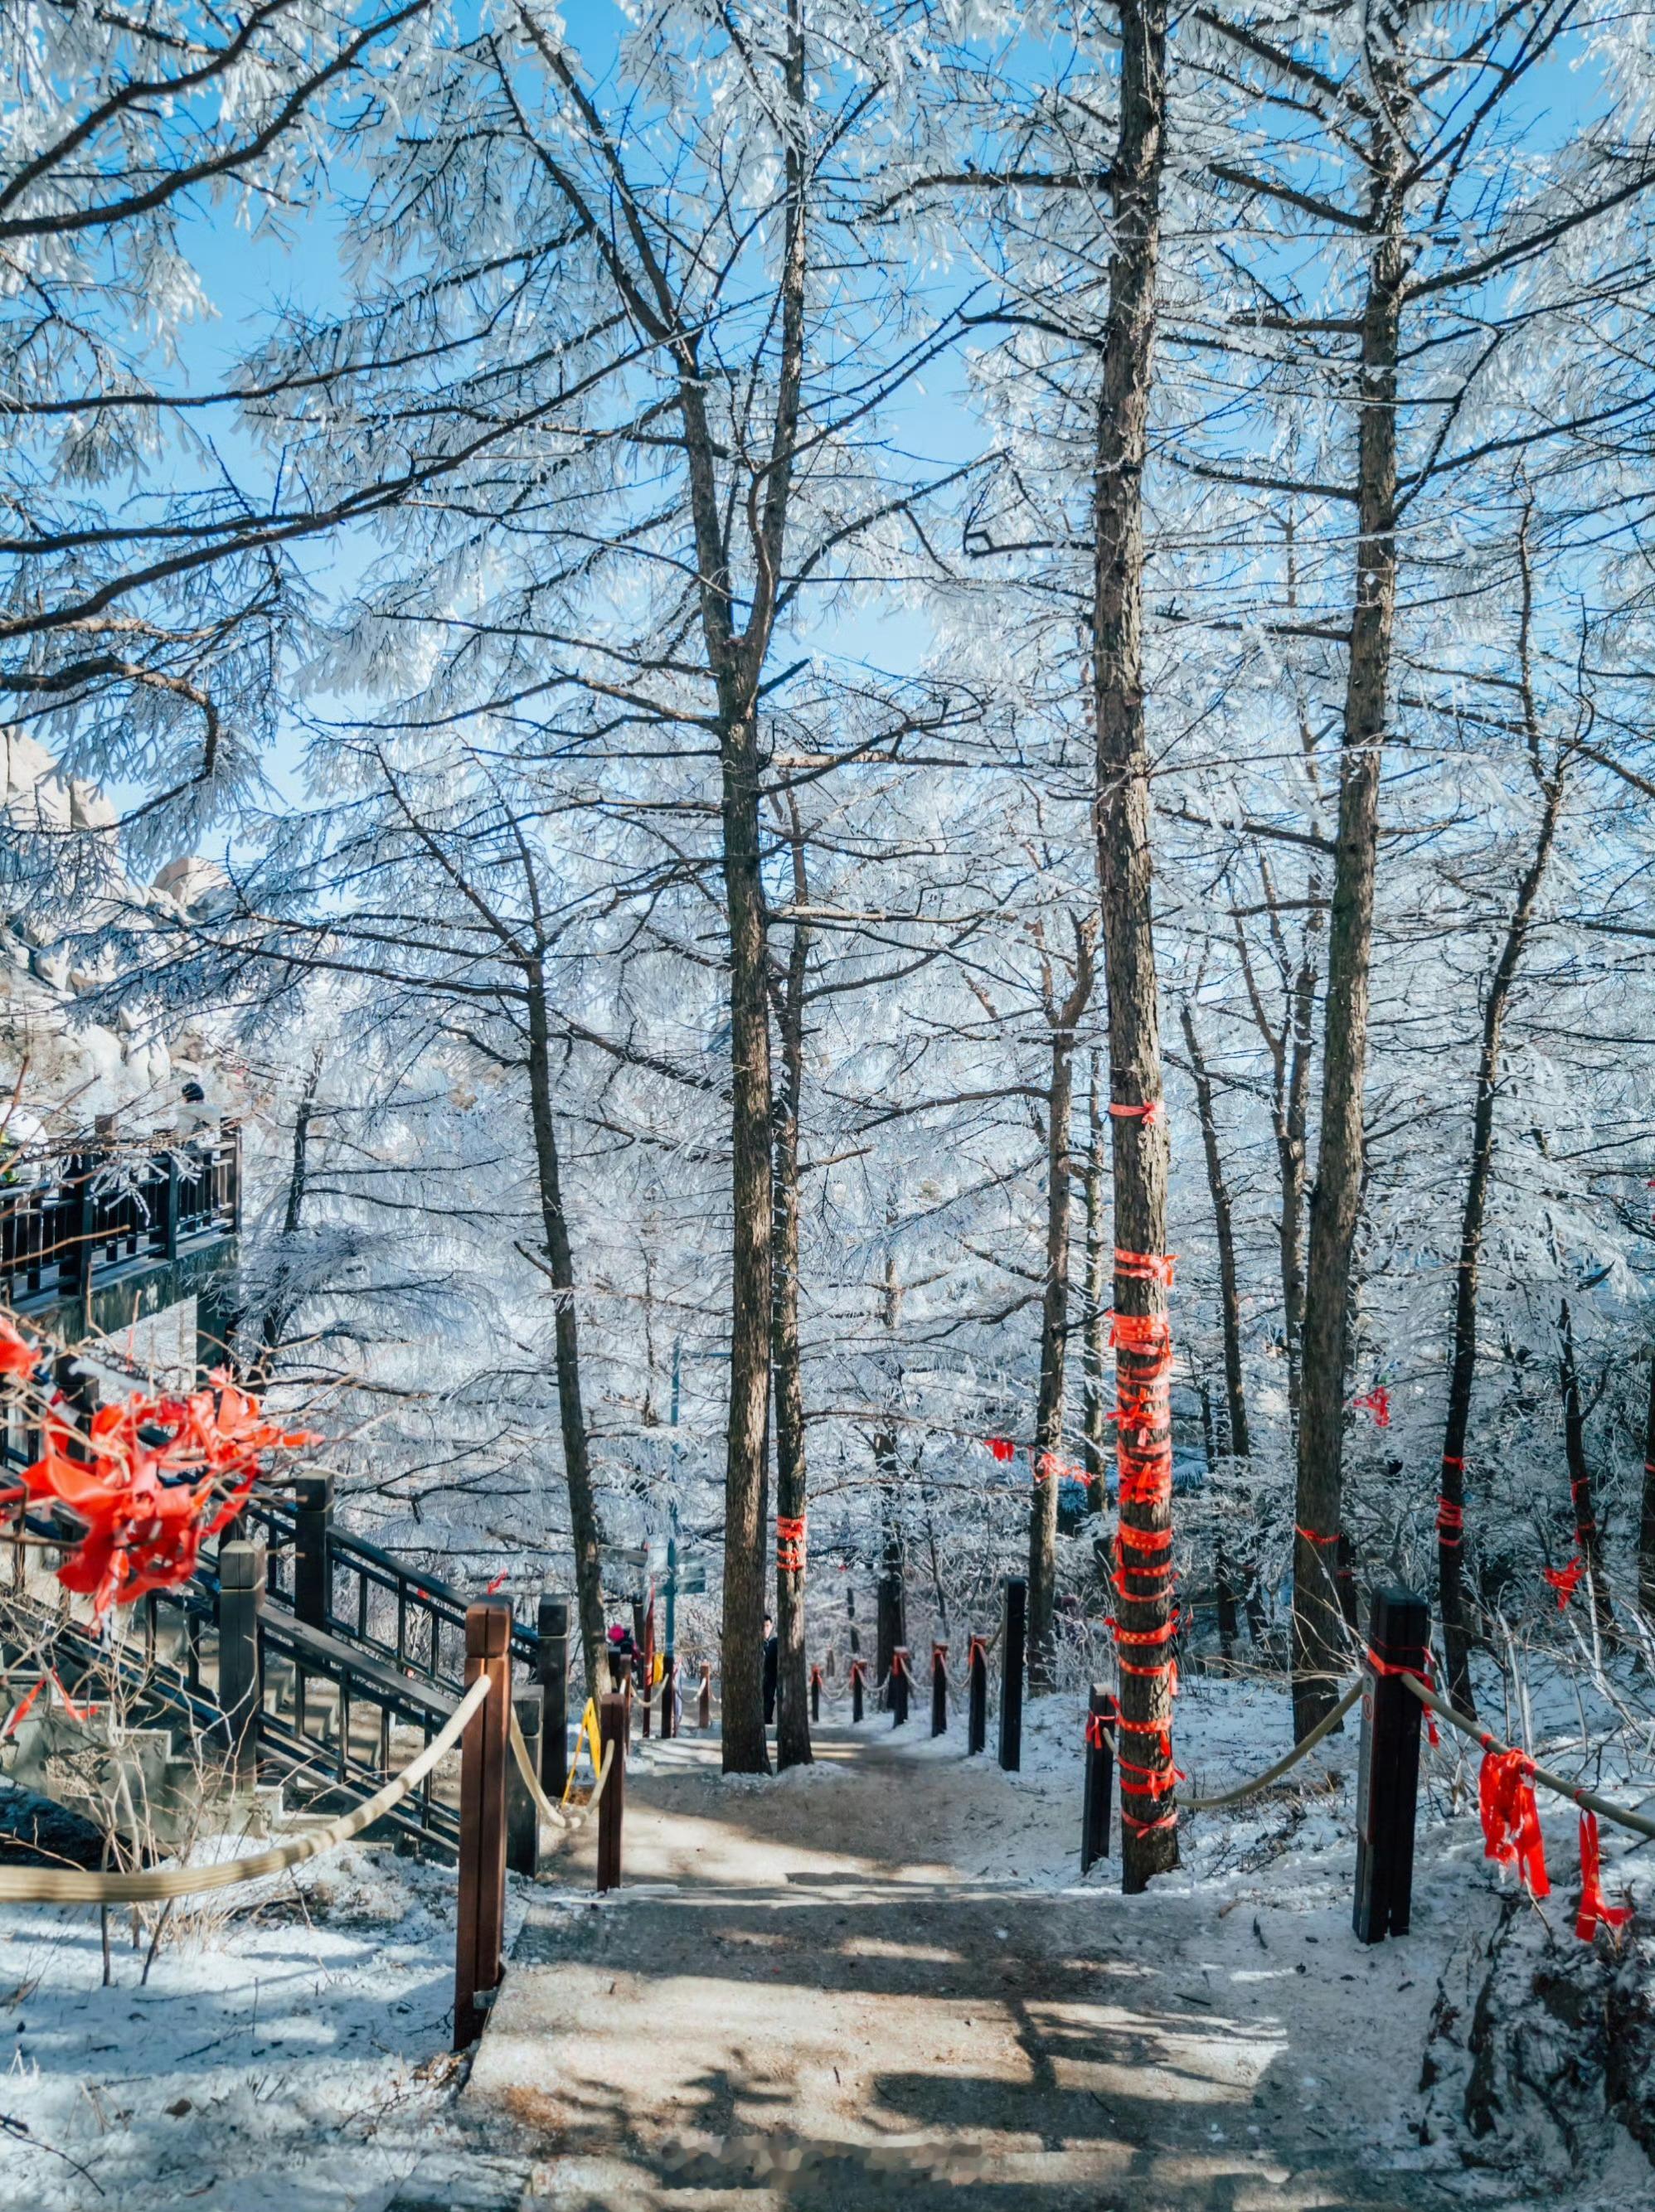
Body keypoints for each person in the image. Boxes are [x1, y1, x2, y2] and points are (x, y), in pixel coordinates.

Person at [762, 1611, 779, 1724]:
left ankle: (767, 1721)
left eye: (767, 1626)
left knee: (768, 1700)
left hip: (771, 1678)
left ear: (772, 1626)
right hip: (760, 1679)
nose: (765, 1629)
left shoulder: (775, 1642)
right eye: (763, 1626)